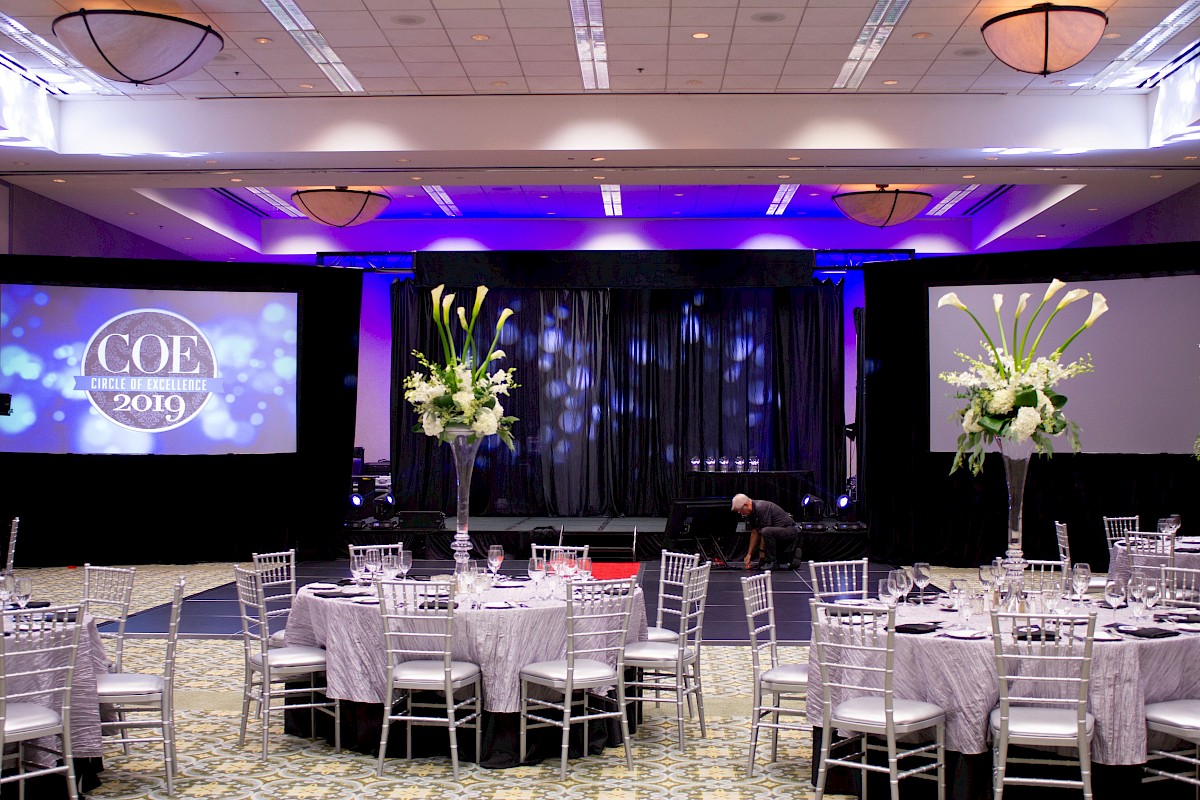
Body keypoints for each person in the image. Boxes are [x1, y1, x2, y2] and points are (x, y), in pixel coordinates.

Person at [732, 493, 801, 571]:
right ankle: (792, 557)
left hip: (789, 530)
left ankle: (772, 562)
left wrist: (762, 556)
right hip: (778, 531)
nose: (741, 513)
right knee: (766, 532)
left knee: (766, 531)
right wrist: (749, 555)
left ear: (746, 505)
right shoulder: (751, 512)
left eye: (741, 510)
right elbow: (754, 533)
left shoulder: (761, 508)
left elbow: (764, 533)